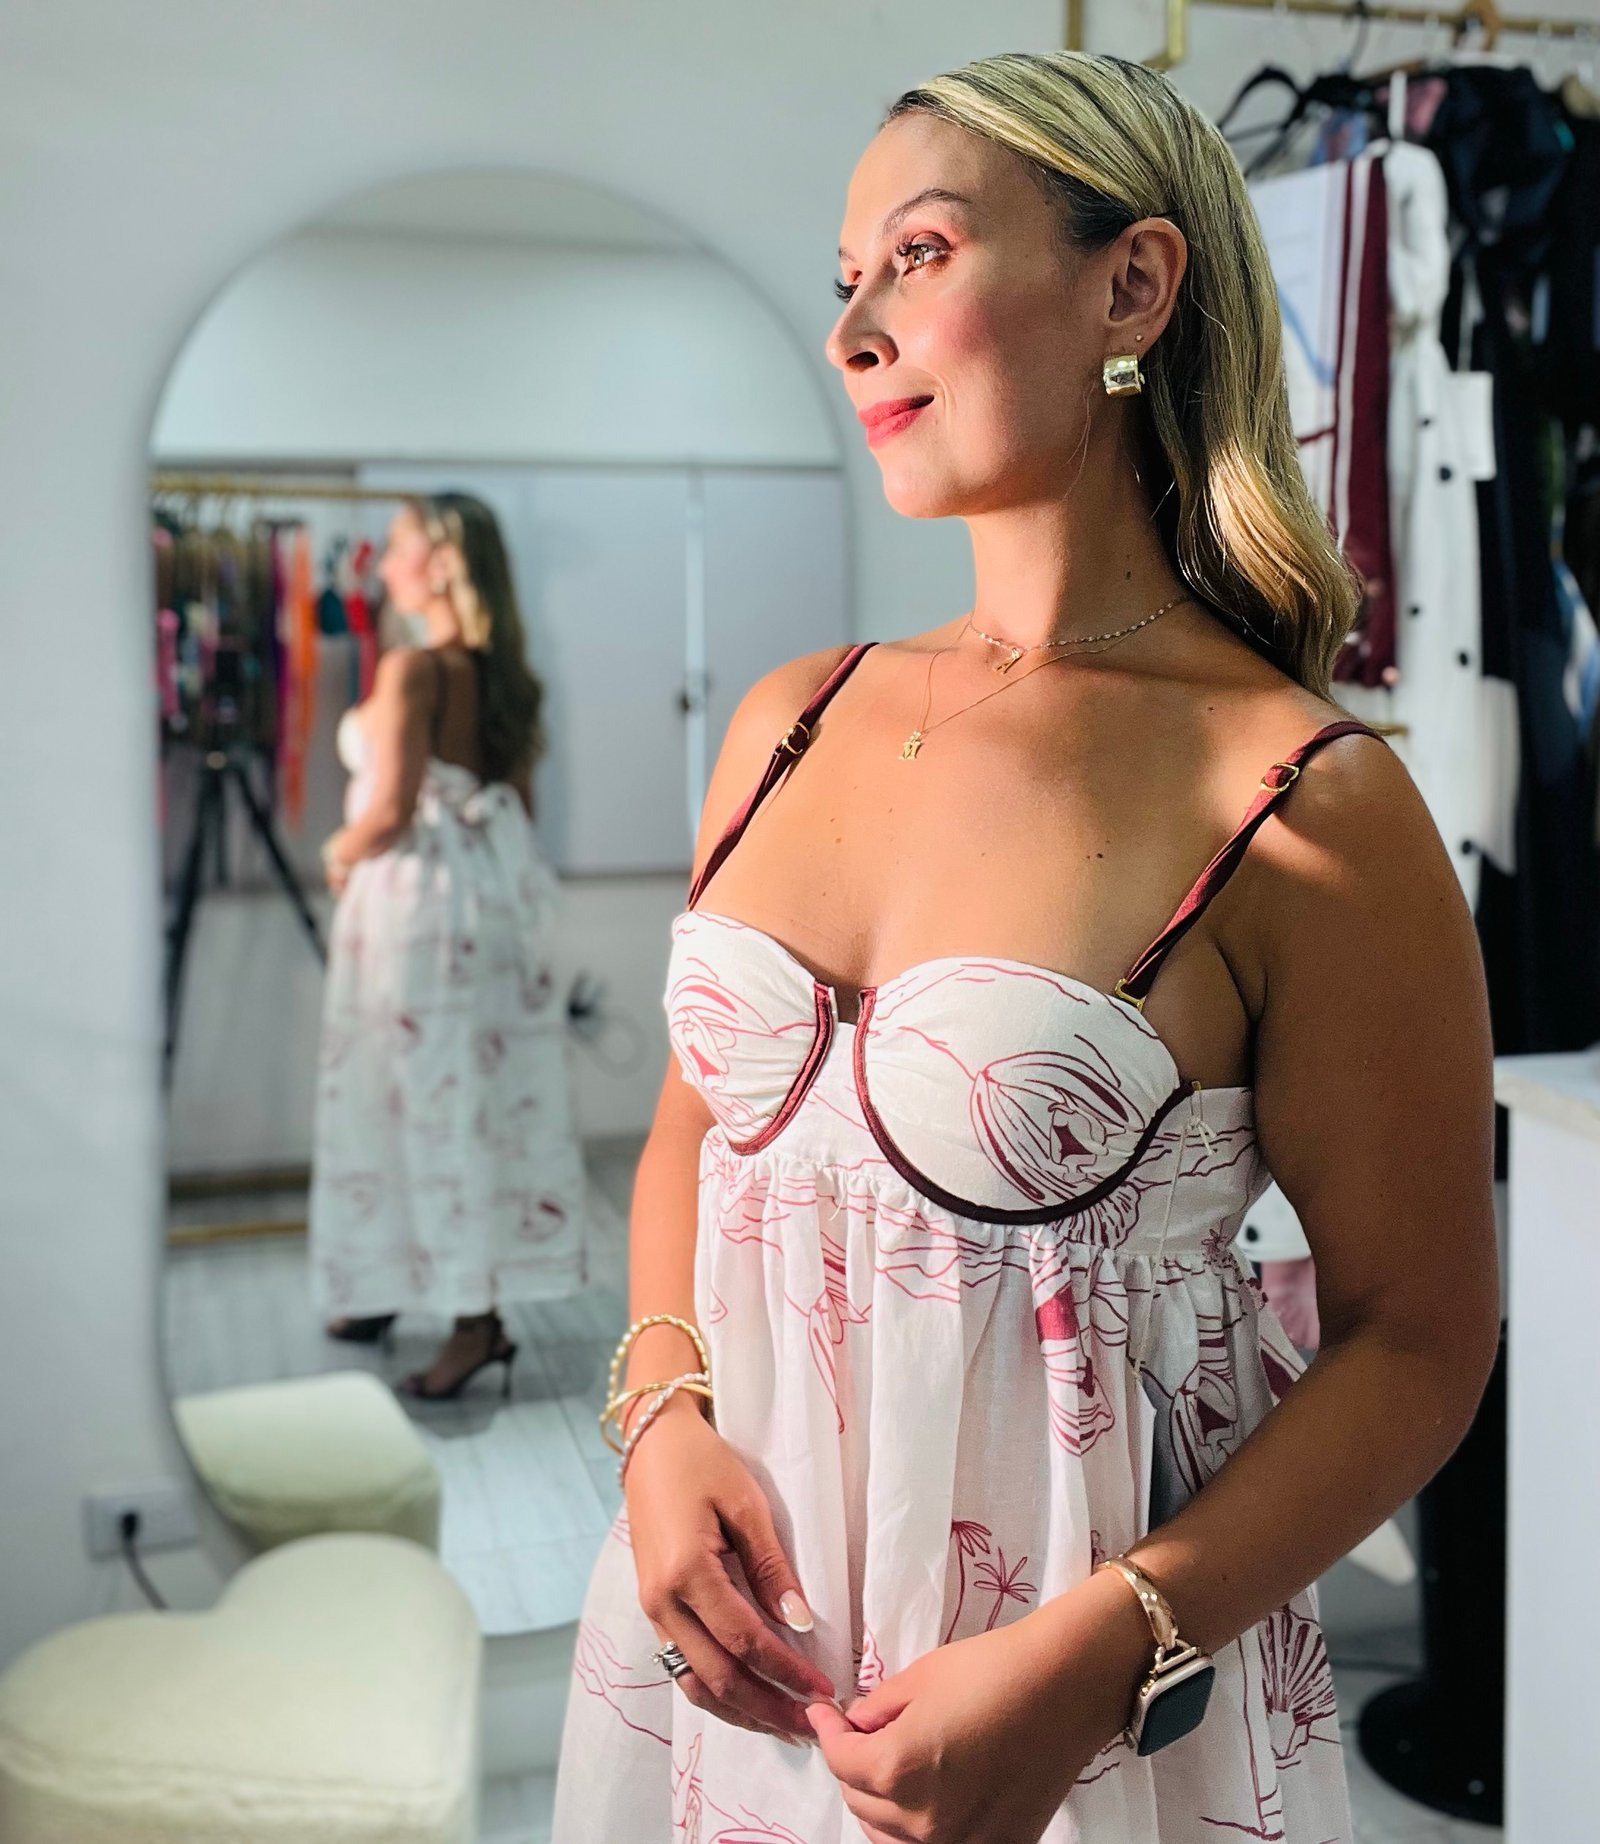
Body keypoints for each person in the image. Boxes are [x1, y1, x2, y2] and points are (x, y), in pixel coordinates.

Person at [551, 49, 1498, 1844]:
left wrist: (1105, 1650)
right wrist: (663, 1420)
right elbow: (693, 1136)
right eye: (847, 280)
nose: (851, 332)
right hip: (724, 1662)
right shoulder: (789, 720)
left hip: (1076, 1720)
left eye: (915, 256)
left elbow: (1421, 1337)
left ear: (1132, 284)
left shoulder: (1299, 797)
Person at [309, 492, 586, 1401]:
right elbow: (522, 810)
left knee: (408, 1099)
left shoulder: (412, 670)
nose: (383, 562)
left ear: (437, 563)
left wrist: (336, 851)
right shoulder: (505, 676)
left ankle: (474, 1325)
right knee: (469, 1103)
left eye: (396, 546)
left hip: (419, 913)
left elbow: (388, 811)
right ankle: (397, 1291)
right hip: (488, 910)